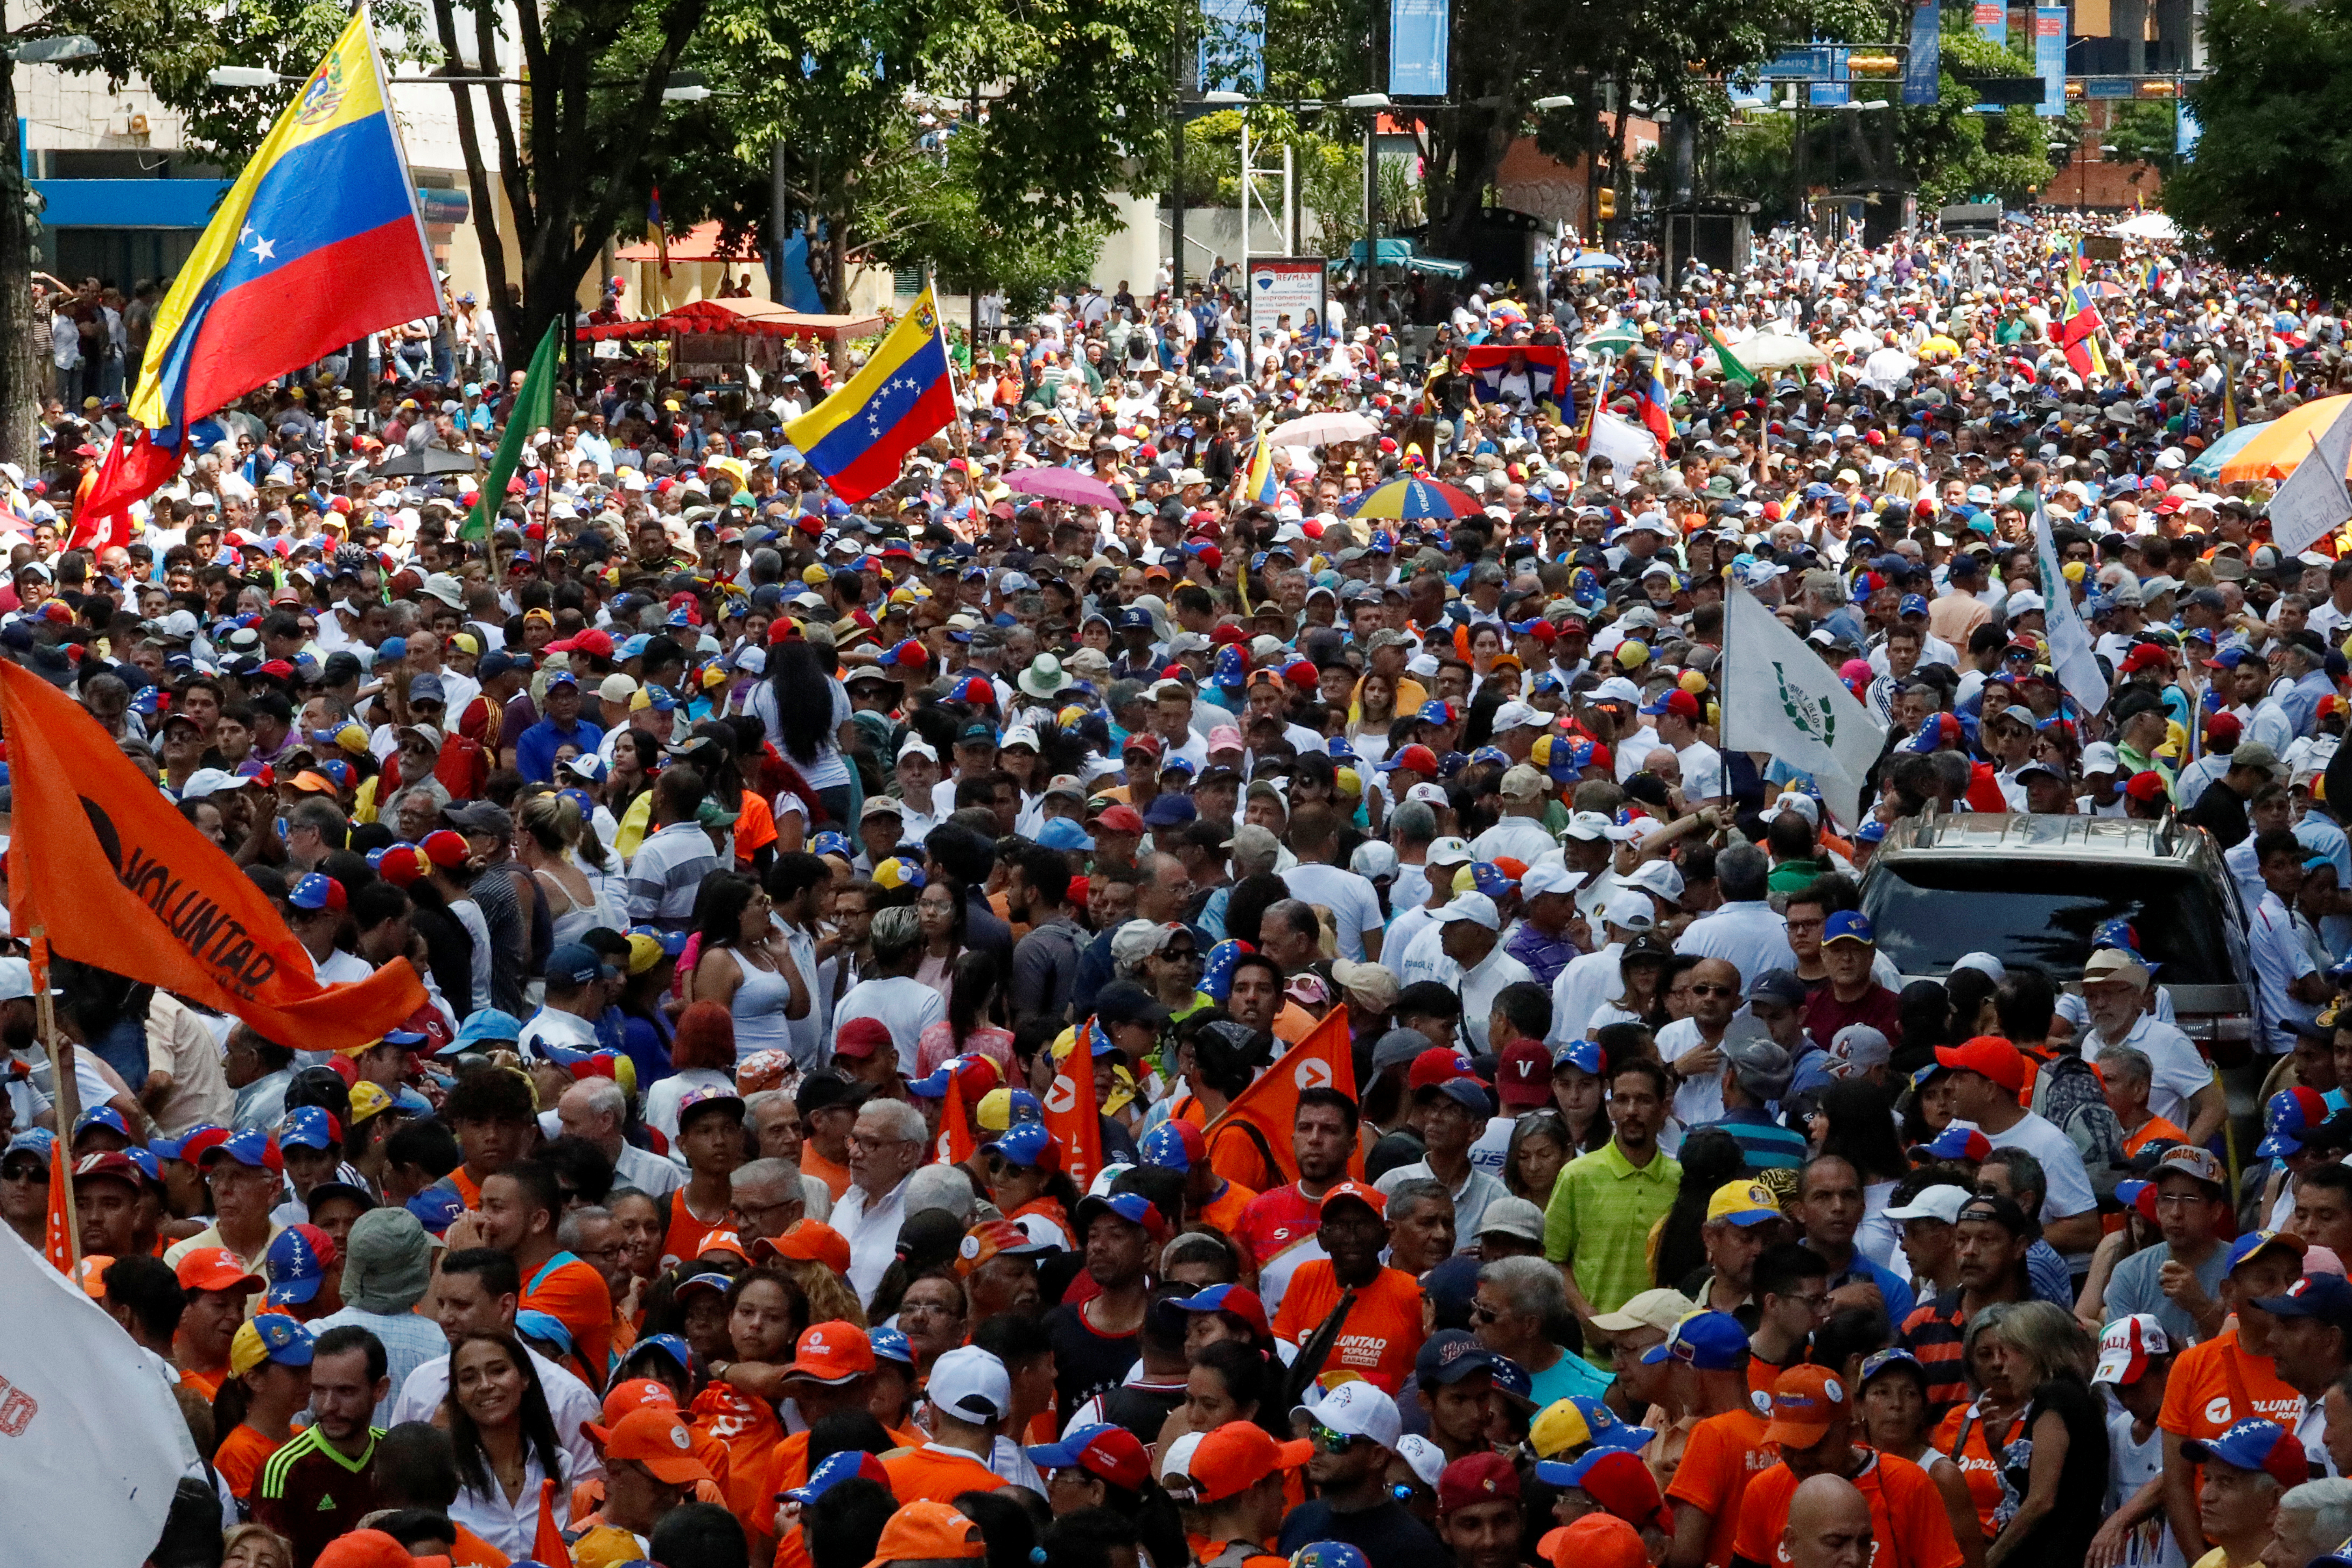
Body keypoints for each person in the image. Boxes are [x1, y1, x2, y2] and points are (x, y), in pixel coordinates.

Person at [1728, 1366, 1964, 1568]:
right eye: (1788, 1445)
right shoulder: (1763, 1490)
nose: (1800, 1459)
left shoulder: (1908, 1484)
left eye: (1813, 1446)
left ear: (1851, 1431)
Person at [1548, 1058, 1683, 1326]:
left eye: (1643, 1101)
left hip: (1657, 1346)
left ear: (1664, 1108)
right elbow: (1553, 1259)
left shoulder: (1680, 1180)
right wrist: (1587, 1315)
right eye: (1622, 1100)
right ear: (1610, 1109)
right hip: (1593, 1350)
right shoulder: (1577, 1175)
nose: (1631, 1111)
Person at [253, 1325, 393, 1567]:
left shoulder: (397, 1455)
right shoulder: (283, 1469)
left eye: (345, 1391)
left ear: (380, 1389)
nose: (328, 1405)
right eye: (318, 1390)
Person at [1275, 1381, 1446, 1568]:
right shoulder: (1299, 1519)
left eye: (1335, 1439)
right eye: (1315, 1433)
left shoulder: (1414, 1548)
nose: (1315, 1449)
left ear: (1378, 1456)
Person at [442, 1329, 573, 1558]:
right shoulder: (443, 1472)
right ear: (458, 1394)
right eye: (469, 1378)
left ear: (524, 1377)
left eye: (498, 1371)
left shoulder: (560, 1464)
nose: (485, 1385)